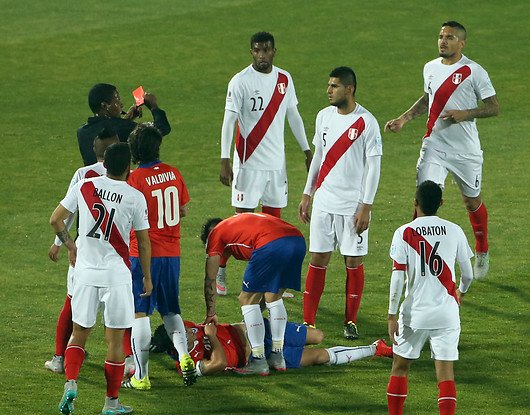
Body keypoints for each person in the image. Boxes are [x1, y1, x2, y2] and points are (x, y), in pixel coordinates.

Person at [384, 21, 499, 280]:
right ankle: (415, 255)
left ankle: (482, 249)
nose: (443, 41)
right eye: (440, 36)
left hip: (465, 150)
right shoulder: (430, 68)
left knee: (471, 201)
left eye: (449, 37)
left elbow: (494, 107)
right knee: (424, 199)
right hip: (434, 145)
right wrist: (404, 118)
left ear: (462, 43)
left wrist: (466, 114)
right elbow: (429, 97)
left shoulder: (474, 71)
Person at [50, 142, 152, 415]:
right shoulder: (134, 197)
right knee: (115, 341)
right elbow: (143, 243)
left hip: (85, 272)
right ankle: (111, 403)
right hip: (116, 276)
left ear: (104, 165)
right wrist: (147, 277)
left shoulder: (85, 186)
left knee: (79, 333)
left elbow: (56, 219)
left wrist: (70, 245)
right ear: (129, 168)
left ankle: (71, 383)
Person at [216, 31, 312, 295]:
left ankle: (272, 280)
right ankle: (221, 266)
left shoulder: (284, 79)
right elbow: (229, 121)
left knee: (274, 228)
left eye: (266, 50)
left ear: (273, 51)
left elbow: (294, 115)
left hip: (276, 166)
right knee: (240, 225)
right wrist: (225, 160)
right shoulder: (240, 81)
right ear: (251, 53)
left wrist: (306, 149)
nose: (261, 55)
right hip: (248, 164)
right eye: (257, 50)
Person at [298, 66, 382, 339]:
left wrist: (366, 206)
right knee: (318, 258)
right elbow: (319, 157)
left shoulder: (367, 122)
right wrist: (307, 193)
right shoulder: (323, 116)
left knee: (353, 262)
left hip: (351, 207)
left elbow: (373, 167)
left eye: (334, 86)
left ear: (350, 89)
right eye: (329, 85)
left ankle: (351, 321)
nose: (328, 91)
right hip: (324, 201)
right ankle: (308, 322)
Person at [386, 181, 474, 415]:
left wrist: (391, 315)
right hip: (447, 314)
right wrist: (460, 292)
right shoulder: (455, 230)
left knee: (400, 367)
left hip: (414, 315)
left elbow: (397, 276)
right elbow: (468, 275)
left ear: (415, 203)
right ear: (441, 204)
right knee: (445, 374)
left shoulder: (404, 232)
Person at [120, 123, 196, 391]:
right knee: (170, 310)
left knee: (139, 314)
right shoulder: (173, 173)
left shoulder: (135, 179)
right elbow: (183, 209)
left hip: (143, 254)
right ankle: (185, 356)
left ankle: (141, 377)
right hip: (172, 254)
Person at [45, 126, 119, 374]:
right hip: (116, 255)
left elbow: (65, 214)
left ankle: (59, 358)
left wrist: (64, 245)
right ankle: (127, 361)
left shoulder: (83, 174)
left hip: (84, 252)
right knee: (118, 308)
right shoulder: (124, 176)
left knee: (73, 302)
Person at [202, 213, 306, 375]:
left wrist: (211, 312)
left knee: (246, 299)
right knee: (273, 297)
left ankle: (259, 360)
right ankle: (277, 357)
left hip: (271, 243)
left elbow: (210, 279)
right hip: (297, 240)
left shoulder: (216, 234)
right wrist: (253, 315)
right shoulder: (239, 223)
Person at [150, 317, 393, 377]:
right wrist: (212, 337)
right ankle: (375, 348)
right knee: (320, 357)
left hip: (258, 328)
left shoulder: (186, 326)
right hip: (259, 355)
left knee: (318, 336)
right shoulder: (188, 365)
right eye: (183, 335)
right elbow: (220, 363)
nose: (190, 332)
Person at [77, 83, 171, 165]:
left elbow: (110, 127)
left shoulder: (82, 132)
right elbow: (162, 127)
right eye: (117, 100)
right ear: (105, 106)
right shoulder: (121, 127)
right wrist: (153, 106)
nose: (121, 105)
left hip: (93, 184)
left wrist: (126, 121)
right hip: (115, 184)